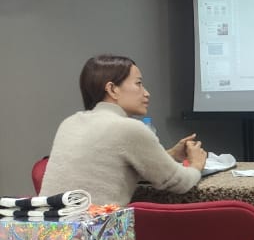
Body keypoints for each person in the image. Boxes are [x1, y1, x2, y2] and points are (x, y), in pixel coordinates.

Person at [41, 55, 207, 205]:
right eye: (138, 84)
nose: (147, 93)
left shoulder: (70, 123)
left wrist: (170, 154)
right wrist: (196, 164)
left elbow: (112, 168)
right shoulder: (128, 128)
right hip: (97, 227)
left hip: (46, 226)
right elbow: (178, 182)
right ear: (112, 89)